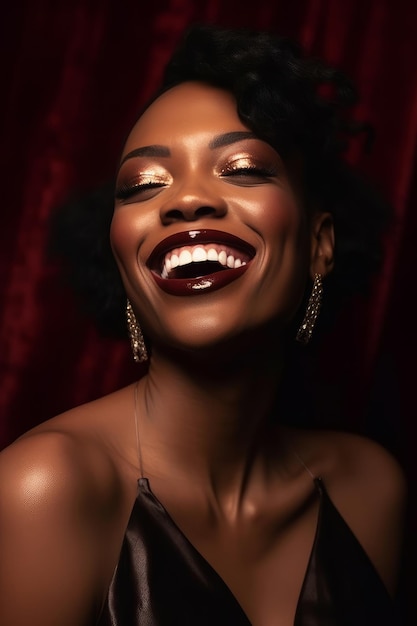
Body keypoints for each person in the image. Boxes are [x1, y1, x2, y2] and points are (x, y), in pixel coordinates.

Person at [0, 24, 407, 626]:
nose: (185, 201)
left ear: (320, 245)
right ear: (120, 258)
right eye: (143, 184)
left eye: (241, 168)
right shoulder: (44, 492)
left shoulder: (371, 490)